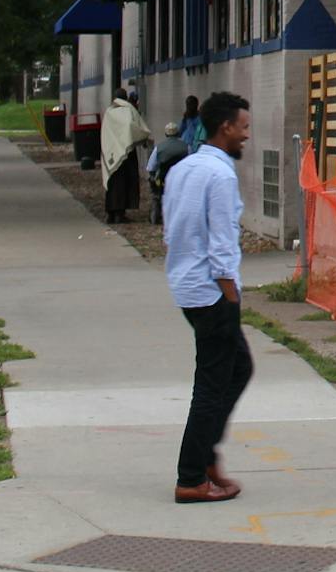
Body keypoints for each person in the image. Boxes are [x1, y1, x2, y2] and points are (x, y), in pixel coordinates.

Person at [164, 91, 254, 503]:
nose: (246, 136)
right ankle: (191, 477)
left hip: (187, 285)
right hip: (211, 290)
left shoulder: (184, 168)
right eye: (244, 127)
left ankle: (205, 457)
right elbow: (222, 239)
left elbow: (173, 227)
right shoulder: (219, 175)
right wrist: (229, 289)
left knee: (238, 369)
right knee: (213, 384)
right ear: (225, 127)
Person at [100, 88, 152, 223]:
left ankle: (111, 212)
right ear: (125, 98)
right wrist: (143, 138)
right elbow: (133, 127)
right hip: (126, 153)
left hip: (112, 152)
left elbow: (105, 132)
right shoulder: (128, 111)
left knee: (113, 182)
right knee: (124, 182)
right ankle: (120, 213)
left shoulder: (109, 112)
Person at [147, 122, 193, 229]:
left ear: (166, 134)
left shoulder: (159, 148)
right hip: (182, 180)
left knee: (156, 194)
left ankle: (155, 214)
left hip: (163, 179)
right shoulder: (187, 147)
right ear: (178, 134)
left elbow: (150, 167)